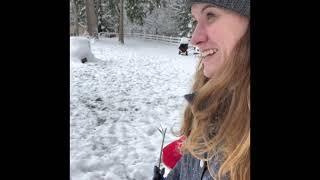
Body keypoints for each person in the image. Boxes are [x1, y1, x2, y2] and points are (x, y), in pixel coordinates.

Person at [153, 0, 250, 180]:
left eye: (210, 15)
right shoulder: (211, 104)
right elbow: (186, 168)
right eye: (196, 20)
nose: (194, 39)